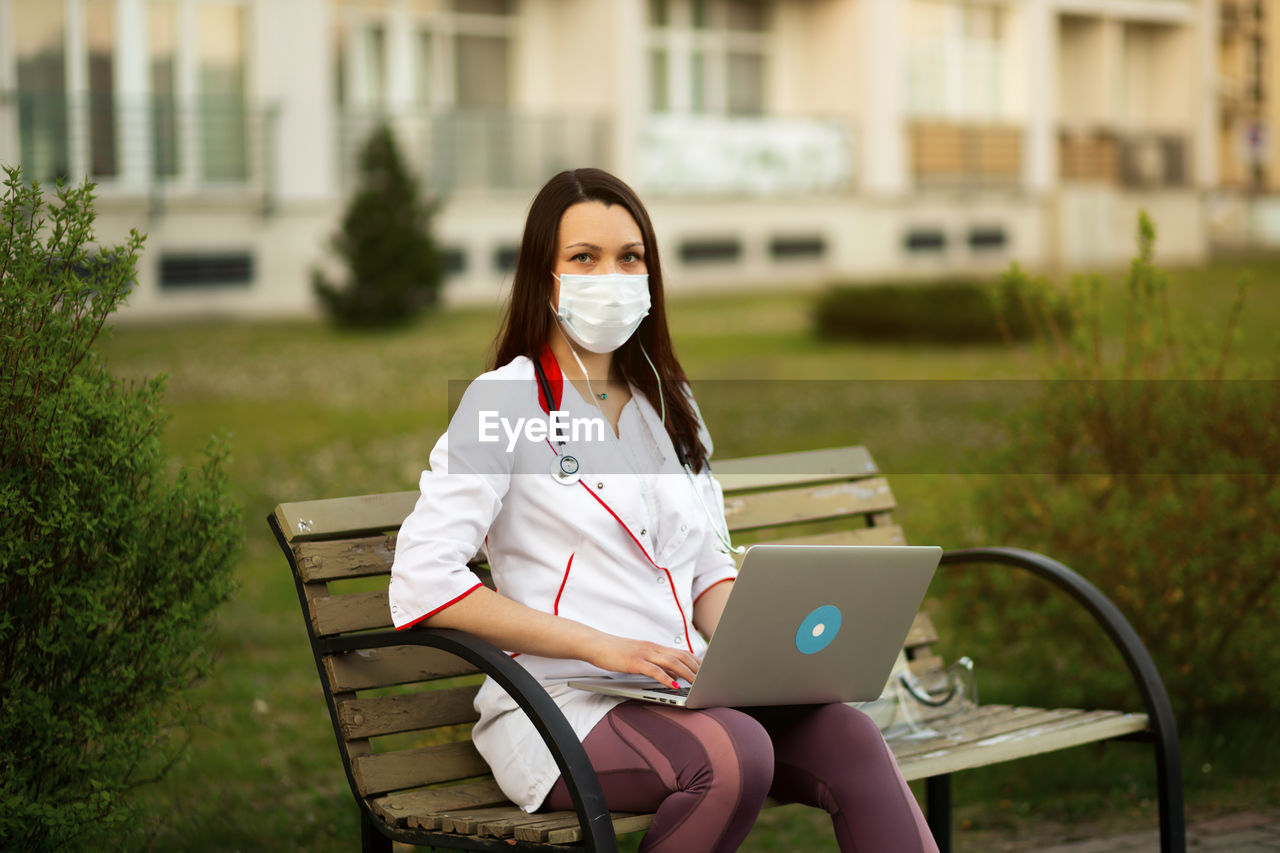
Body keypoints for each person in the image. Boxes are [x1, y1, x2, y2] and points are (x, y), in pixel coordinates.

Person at [388, 168, 938, 852]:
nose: (611, 275)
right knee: (732, 755)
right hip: (563, 706)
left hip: (681, 693)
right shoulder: (503, 403)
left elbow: (707, 565)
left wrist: (767, 654)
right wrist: (603, 645)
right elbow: (424, 578)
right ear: (544, 276)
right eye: (584, 257)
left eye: (630, 256)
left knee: (848, 733)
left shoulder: (665, 401)